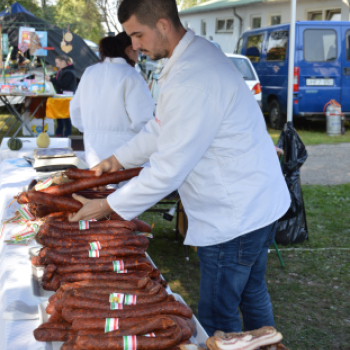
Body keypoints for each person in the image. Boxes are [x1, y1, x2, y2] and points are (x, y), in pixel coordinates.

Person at [69, 0, 290, 336]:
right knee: (252, 290)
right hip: (256, 202)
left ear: (162, 24)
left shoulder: (192, 76)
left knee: (218, 314)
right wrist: (118, 160)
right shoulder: (192, 56)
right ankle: (265, 343)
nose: (135, 46)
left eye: (138, 35)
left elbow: (168, 168)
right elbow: (161, 127)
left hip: (235, 218)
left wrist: (107, 206)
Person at [70, 32, 155, 167]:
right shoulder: (131, 75)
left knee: (100, 186)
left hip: (94, 153)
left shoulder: (89, 72)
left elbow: (75, 112)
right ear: (128, 50)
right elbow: (142, 119)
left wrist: (91, 129)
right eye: (137, 53)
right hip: (124, 154)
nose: (138, 59)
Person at [45, 55, 76, 137]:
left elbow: (63, 84)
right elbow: (60, 82)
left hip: (66, 97)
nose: (57, 65)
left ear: (63, 62)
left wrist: (51, 80)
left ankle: (67, 134)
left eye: (57, 63)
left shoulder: (69, 72)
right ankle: (59, 132)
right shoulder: (63, 71)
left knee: (65, 117)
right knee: (59, 115)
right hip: (62, 97)